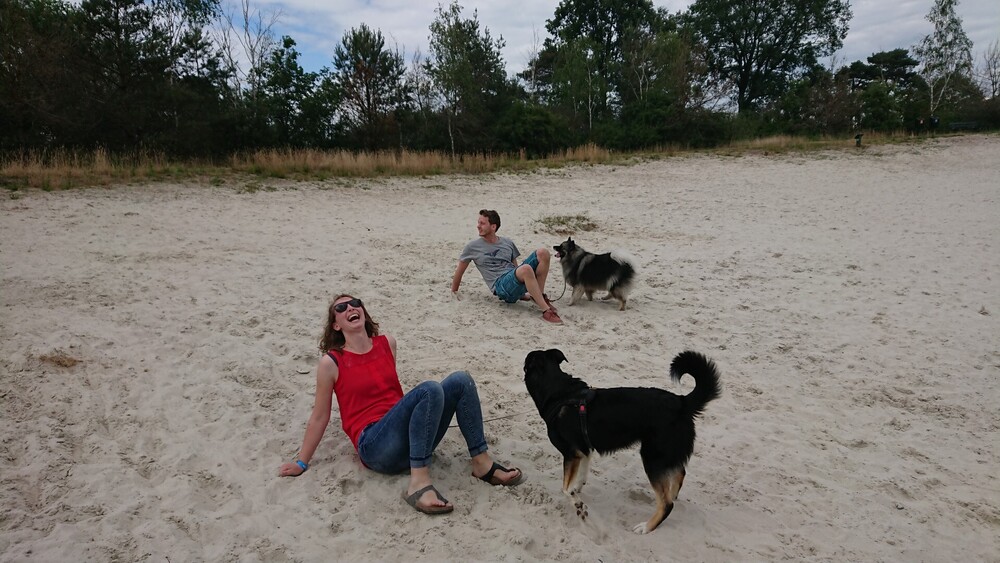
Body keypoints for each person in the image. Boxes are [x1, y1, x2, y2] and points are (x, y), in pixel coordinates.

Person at [278, 294, 524, 514]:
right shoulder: (331, 362)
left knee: (461, 380)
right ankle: (418, 482)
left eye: (355, 303)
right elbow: (320, 416)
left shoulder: (387, 343)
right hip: (374, 446)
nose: (350, 308)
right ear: (336, 325)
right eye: (341, 308)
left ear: (363, 311)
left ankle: (481, 463)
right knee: (429, 389)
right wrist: (301, 462)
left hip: (407, 438)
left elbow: (389, 397)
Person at [451, 209, 562, 324]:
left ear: (493, 227)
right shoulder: (472, 247)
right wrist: (454, 291)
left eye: (482, 223)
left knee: (543, 253)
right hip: (500, 286)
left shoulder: (507, 242)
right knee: (526, 269)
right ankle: (546, 311)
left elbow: (515, 267)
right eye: (478, 222)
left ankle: (539, 296)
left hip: (513, 279)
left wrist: (520, 293)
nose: (478, 226)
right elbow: (460, 271)